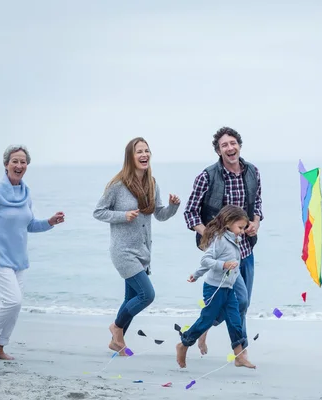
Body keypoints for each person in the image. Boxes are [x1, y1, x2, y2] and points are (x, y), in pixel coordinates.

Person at [94, 137, 180, 355]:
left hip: (143, 250)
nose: (144, 155)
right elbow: (99, 212)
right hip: (122, 251)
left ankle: (118, 345)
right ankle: (117, 327)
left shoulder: (152, 183)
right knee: (146, 295)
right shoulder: (117, 185)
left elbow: (159, 214)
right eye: (139, 151)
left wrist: (173, 206)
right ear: (130, 158)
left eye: (147, 151)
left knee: (130, 298)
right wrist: (123, 215)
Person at [183, 126, 263, 355]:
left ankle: (210, 330)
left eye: (233, 143)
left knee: (241, 304)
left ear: (239, 145)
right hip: (221, 253)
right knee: (240, 301)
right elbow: (190, 213)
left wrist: (255, 222)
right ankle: (240, 352)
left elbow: (257, 204)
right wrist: (210, 234)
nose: (230, 148)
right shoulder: (207, 176)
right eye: (224, 145)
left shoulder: (252, 172)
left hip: (246, 249)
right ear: (218, 151)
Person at [0, 145, 65, 360]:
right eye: (14, 161)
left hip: (19, 257)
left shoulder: (25, 192)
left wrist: (50, 222)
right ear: (6, 164)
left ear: (27, 165)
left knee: (16, 306)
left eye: (23, 162)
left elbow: (30, 225)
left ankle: (0, 346)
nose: (19, 165)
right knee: (12, 301)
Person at [176, 204, 256, 369]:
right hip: (214, 289)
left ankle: (239, 356)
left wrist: (198, 274)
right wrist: (223, 265)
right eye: (240, 227)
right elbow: (206, 260)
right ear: (228, 223)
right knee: (206, 320)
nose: (242, 231)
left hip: (228, 288)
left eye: (243, 227)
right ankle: (184, 344)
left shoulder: (235, 239)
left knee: (234, 321)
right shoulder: (219, 240)